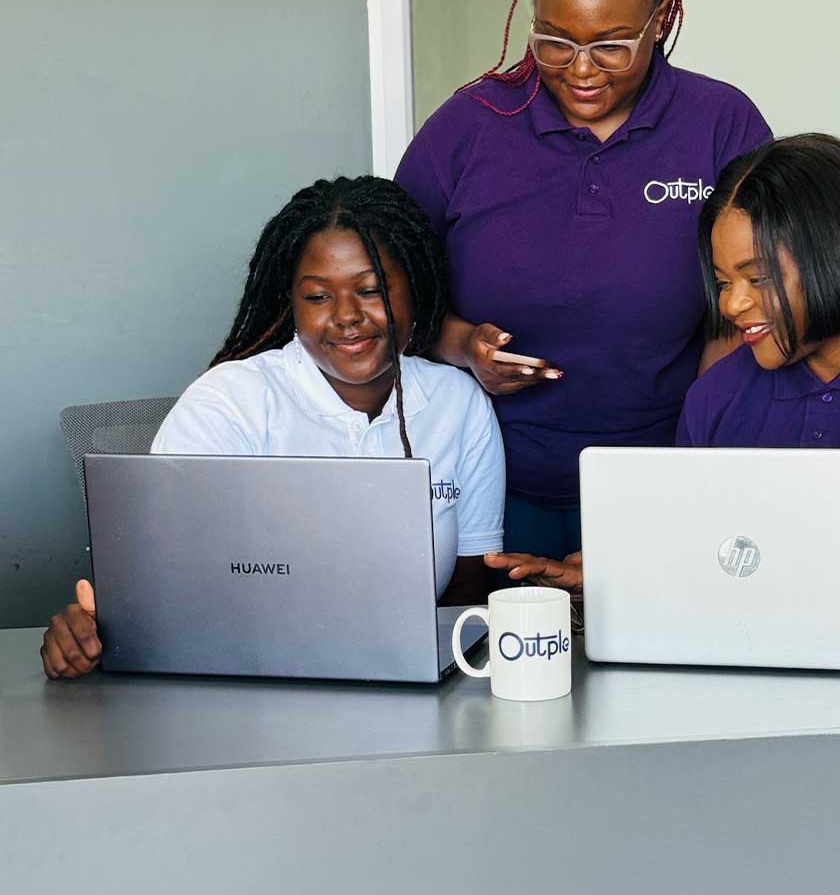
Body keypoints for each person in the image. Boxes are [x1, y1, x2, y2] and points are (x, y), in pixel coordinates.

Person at [487, 133, 840, 824]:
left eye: (757, 277)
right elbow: (707, 553)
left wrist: (682, 577)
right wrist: (619, 575)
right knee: (650, 811)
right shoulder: (719, 395)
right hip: (777, 678)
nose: (732, 305)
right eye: (722, 281)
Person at [396, 0, 772, 561]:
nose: (580, 70)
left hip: (665, 485)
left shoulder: (721, 125)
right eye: (554, 40)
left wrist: (692, 472)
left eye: (611, 46)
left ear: (661, 17)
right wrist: (464, 347)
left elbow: (756, 300)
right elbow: (392, 289)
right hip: (486, 485)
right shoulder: (469, 127)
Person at [41, 176, 505, 679]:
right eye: (317, 296)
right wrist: (94, 630)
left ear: (415, 286)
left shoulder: (458, 404)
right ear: (291, 304)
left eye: (370, 290)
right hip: (242, 681)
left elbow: (467, 592)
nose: (347, 316)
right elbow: (161, 587)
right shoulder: (229, 401)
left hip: (407, 680)